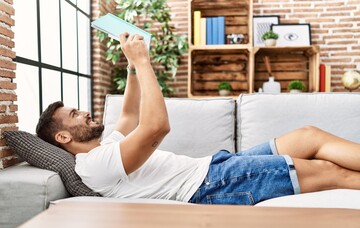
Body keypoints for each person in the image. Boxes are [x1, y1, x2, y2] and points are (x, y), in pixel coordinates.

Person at [36, 33, 360, 205]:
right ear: (63, 137)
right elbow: (156, 126)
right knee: (329, 171)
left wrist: (132, 66)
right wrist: (145, 61)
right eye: (75, 115)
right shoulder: (93, 166)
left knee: (308, 135)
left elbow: (130, 114)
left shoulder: (106, 148)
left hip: (215, 167)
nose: (85, 112)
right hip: (210, 186)